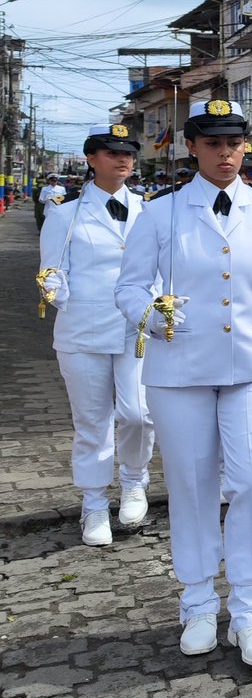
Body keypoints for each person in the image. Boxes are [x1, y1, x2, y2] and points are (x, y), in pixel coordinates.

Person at [115, 100, 252, 667]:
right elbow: (129, 288)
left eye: (234, 143)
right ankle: (199, 601)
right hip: (179, 370)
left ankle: (249, 609)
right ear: (192, 148)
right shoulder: (161, 214)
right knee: (192, 484)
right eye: (213, 143)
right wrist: (153, 313)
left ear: (245, 147)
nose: (226, 153)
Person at [38, 125, 155, 547]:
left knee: (139, 413)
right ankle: (93, 503)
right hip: (84, 331)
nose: (122, 160)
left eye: (128, 153)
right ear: (91, 159)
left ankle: (135, 481)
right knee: (92, 423)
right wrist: (60, 296)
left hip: (136, 328)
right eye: (110, 153)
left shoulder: (149, 209)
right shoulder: (64, 212)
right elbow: (52, 270)